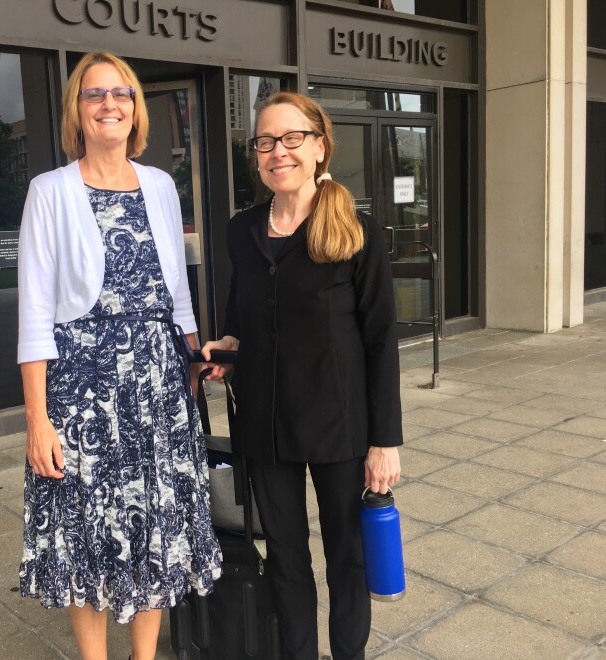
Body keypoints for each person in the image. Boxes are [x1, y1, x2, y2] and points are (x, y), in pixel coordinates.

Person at [16, 52, 221, 660]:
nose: (110, 105)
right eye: (94, 94)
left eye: (122, 94)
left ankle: (146, 656)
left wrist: (192, 356)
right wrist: (37, 419)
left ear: (137, 109)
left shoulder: (159, 185)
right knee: (85, 525)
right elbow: (33, 314)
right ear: (76, 111)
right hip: (82, 386)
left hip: (159, 381)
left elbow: (176, 290)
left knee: (157, 515)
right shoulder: (50, 191)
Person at [201, 92, 403, 660]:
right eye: (266, 141)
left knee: (347, 558)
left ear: (319, 147)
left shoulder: (355, 230)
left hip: (340, 424)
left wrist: (385, 441)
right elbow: (243, 315)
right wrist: (229, 347)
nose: (277, 151)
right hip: (265, 426)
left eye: (292, 138)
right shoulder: (242, 230)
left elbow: (382, 340)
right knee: (286, 559)